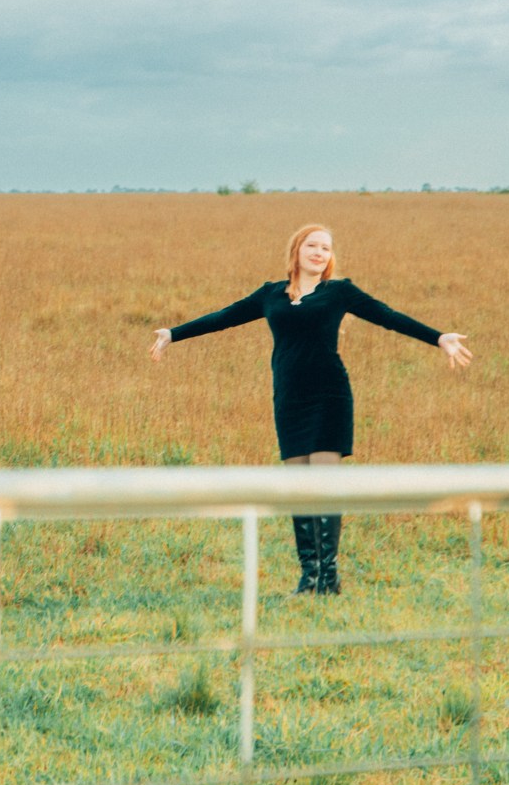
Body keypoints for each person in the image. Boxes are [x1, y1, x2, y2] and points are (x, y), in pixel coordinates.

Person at [149, 224, 471, 594]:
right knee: (298, 487)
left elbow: (388, 316)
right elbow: (225, 316)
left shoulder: (339, 292)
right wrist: (173, 334)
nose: (319, 252)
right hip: (289, 399)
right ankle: (310, 576)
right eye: (312, 245)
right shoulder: (271, 294)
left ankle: (329, 577)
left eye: (326, 248)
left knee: (324, 483)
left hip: (329, 395)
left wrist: (438, 338)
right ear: (297, 251)